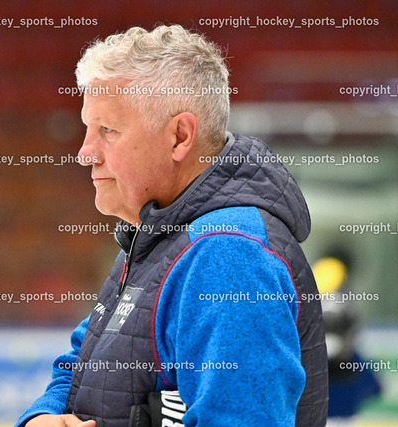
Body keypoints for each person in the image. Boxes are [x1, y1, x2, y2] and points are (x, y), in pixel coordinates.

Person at [16, 24, 328, 427]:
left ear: (180, 137)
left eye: (107, 130)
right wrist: (43, 416)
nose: (85, 152)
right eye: (87, 129)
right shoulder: (161, 235)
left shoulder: (229, 255)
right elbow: (84, 363)